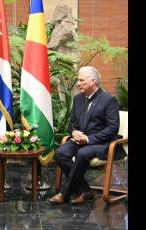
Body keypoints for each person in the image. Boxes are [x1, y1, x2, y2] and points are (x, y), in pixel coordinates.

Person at [48, 66, 126, 205]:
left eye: (81, 80)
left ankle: (64, 193)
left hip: (101, 143)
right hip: (79, 140)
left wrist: (89, 139)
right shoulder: (78, 99)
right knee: (60, 153)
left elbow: (112, 128)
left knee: (83, 154)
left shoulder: (109, 100)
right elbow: (72, 123)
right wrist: (73, 132)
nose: (78, 83)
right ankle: (85, 190)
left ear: (93, 81)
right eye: (78, 80)